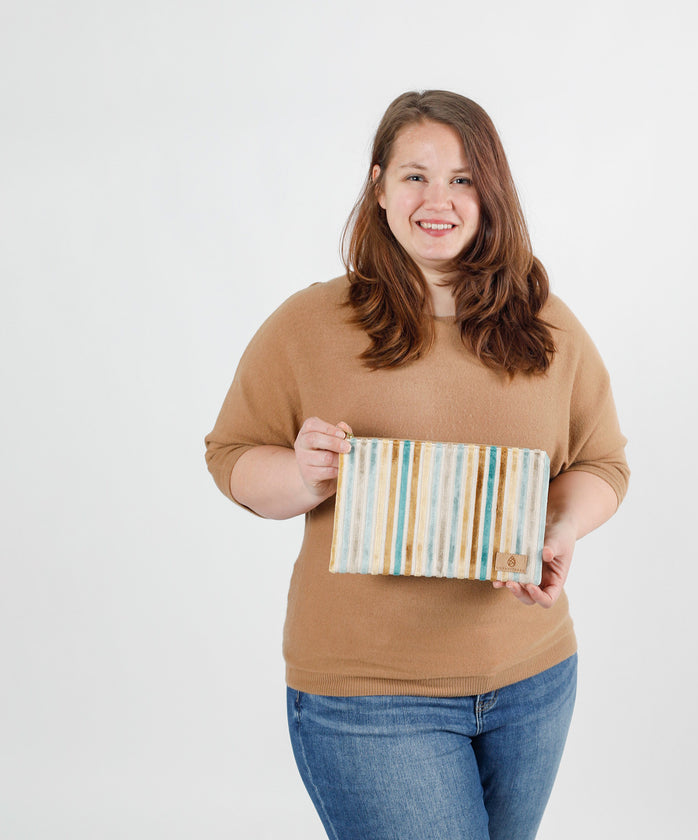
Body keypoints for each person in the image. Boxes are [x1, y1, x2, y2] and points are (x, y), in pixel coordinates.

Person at [205, 90, 629, 840]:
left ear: (491, 193)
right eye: (415, 176)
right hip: (371, 700)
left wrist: (560, 529)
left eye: (463, 179)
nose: (440, 200)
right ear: (378, 186)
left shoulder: (545, 323)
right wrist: (305, 477)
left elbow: (600, 463)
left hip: (533, 682)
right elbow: (231, 457)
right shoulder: (310, 324)